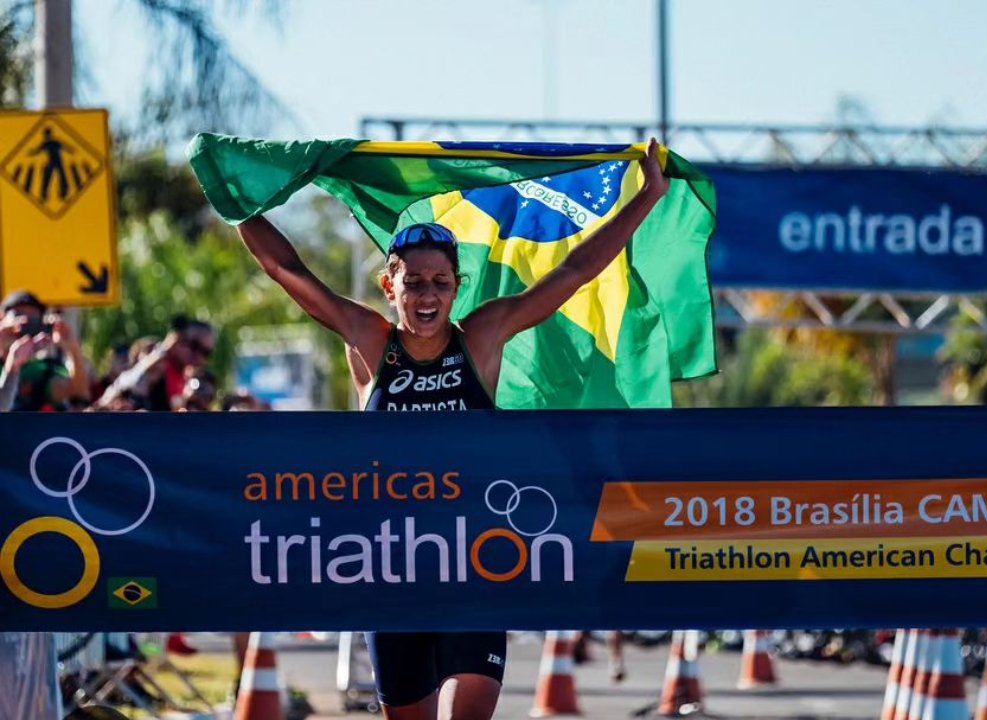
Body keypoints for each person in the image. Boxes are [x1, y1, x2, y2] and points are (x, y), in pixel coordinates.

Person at [233, 140, 669, 720]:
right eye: (414, 283)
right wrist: (234, 201)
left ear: (457, 287)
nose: (428, 295)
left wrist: (647, 197)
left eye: (440, 282)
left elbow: (575, 271)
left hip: (474, 563)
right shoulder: (370, 341)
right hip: (391, 568)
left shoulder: (481, 339)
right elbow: (286, 269)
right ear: (390, 287)